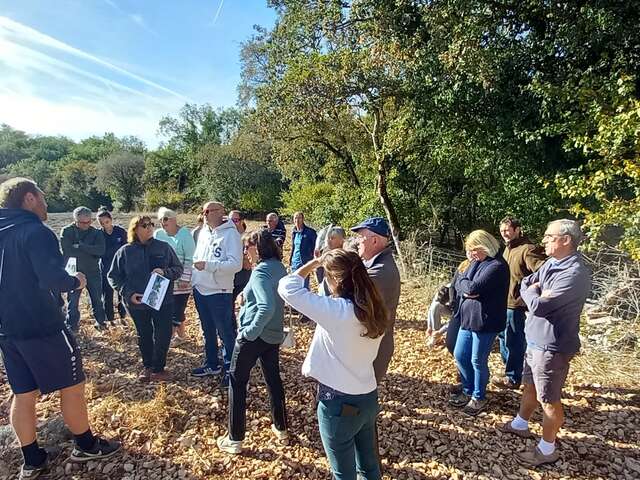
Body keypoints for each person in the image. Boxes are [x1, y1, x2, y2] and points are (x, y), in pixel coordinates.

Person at [0, 178, 121, 479]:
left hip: (6, 328)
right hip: (41, 324)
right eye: (41, 195)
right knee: (72, 384)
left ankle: (32, 458)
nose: (45, 202)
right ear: (29, 198)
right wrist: (75, 281)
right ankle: (86, 444)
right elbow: (52, 277)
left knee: (23, 393)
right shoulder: (34, 231)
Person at [278, 250, 390, 480]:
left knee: (343, 473)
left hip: (338, 402)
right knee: (369, 466)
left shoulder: (337, 312)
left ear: (337, 280)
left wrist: (314, 263)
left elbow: (287, 287)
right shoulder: (375, 310)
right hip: (367, 395)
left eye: (325, 276)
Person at [501, 219, 591, 467]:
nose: (544, 240)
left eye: (549, 236)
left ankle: (547, 448)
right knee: (529, 384)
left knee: (549, 399)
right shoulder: (553, 262)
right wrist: (535, 288)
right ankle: (521, 423)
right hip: (535, 340)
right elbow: (527, 283)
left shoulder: (574, 273)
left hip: (552, 346)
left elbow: (539, 306)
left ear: (565, 240)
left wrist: (533, 292)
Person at [217, 229, 289, 454]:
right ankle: (281, 428)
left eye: (246, 247)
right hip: (273, 335)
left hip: (255, 336)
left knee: (237, 383)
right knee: (273, 379)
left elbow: (266, 306)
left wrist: (248, 332)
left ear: (256, 248)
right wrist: (244, 295)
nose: (244, 252)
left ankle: (235, 438)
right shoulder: (277, 267)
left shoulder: (259, 273)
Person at [108, 216, 183, 382]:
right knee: (144, 334)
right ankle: (148, 366)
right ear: (135, 229)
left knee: (163, 334)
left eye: (151, 224)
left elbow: (178, 269)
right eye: (144, 225)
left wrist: (165, 273)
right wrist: (127, 293)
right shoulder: (125, 251)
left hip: (162, 301)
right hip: (137, 303)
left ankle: (158, 368)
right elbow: (113, 276)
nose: (149, 228)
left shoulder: (163, 247)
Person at [448, 230, 509, 416]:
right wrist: (465, 286)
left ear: (484, 246)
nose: (471, 254)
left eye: (474, 250)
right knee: (460, 354)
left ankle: (478, 396)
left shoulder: (496, 266)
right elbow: (460, 282)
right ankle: (467, 388)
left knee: (477, 359)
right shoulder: (477, 263)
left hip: (486, 321)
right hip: (467, 318)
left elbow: (472, 288)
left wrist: (466, 286)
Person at [191, 201, 243, 384]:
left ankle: (232, 369)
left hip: (219, 291)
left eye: (209, 211)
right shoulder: (203, 232)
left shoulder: (231, 234)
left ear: (221, 212)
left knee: (226, 332)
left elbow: (236, 265)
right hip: (200, 288)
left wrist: (209, 266)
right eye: (203, 211)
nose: (205, 215)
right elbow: (197, 257)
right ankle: (212, 363)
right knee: (207, 330)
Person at [493, 216, 546, 389]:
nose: (505, 234)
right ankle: (509, 370)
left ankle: (514, 377)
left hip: (516, 304)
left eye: (508, 230)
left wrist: (530, 292)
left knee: (514, 341)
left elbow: (543, 272)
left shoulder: (528, 249)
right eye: (502, 231)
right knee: (502, 337)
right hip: (502, 302)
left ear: (517, 230)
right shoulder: (507, 250)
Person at [350, 217, 400, 382]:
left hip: (374, 349)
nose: (357, 242)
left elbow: (344, 296)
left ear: (375, 240)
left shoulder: (380, 271)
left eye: (361, 237)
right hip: (370, 345)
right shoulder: (372, 264)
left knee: (358, 399)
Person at [153, 207, 196, 345]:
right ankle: (182, 336)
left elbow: (190, 258)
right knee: (165, 309)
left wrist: (185, 278)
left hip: (180, 279)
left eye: (166, 219)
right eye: (160, 219)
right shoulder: (158, 234)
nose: (162, 222)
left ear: (173, 219)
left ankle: (163, 342)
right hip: (162, 278)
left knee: (177, 311)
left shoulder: (185, 234)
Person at [60, 206, 107, 331]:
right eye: (82, 222)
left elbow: (101, 250)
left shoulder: (96, 233)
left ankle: (101, 322)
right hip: (74, 271)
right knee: (73, 301)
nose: (86, 225)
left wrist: (80, 246)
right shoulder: (67, 231)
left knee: (97, 299)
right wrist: (90, 250)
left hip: (93, 271)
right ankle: (72, 325)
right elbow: (68, 251)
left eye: (89, 221)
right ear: (75, 220)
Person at [97, 207, 127, 326]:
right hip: (106, 269)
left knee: (121, 293)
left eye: (106, 222)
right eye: (101, 223)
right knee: (107, 295)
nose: (105, 225)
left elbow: (126, 248)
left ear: (111, 219)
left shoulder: (120, 231)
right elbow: (100, 251)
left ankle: (123, 317)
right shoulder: (99, 234)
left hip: (121, 268)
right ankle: (110, 319)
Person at [230, 210, 252, 326]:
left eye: (235, 220)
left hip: (243, 279)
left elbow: (248, 265)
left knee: (246, 306)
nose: (232, 223)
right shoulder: (227, 237)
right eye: (230, 220)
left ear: (241, 221)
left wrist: (240, 256)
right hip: (228, 279)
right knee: (229, 309)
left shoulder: (247, 238)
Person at [289, 212, 317, 288]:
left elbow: (316, 247)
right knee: (295, 284)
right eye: (295, 218)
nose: (297, 220)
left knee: (304, 285)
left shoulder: (310, 232)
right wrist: (290, 259)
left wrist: (313, 260)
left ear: (303, 219)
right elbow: (293, 247)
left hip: (305, 262)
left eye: (299, 218)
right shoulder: (294, 232)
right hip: (295, 262)